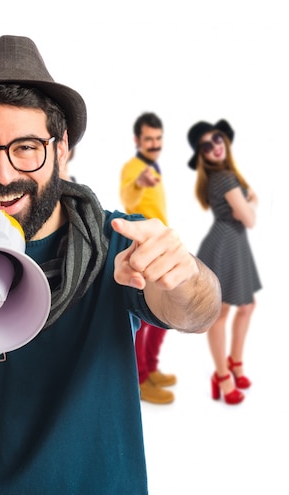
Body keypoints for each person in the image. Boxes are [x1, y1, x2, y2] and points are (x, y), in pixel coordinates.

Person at [0, 35, 221, 493]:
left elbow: (199, 312)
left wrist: (184, 274)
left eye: (26, 147)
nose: (3, 175)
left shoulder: (116, 243)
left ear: (61, 147)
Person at [187, 119, 261, 405]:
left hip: (233, 243)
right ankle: (222, 375)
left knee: (246, 306)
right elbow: (250, 219)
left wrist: (247, 198)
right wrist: (251, 200)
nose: (215, 146)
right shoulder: (225, 179)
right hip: (226, 243)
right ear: (202, 155)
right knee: (222, 312)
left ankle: (235, 363)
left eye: (217, 139)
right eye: (206, 145)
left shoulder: (226, 176)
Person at [119, 112, 176, 405]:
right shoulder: (134, 168)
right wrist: (139, 182)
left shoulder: (154, 166)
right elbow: (128, 196)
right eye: (148, 139)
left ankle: (151, 369)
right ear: (137, 141)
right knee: (147, 313)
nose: (154, 144)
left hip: (161, 247)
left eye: (157, 138)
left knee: (163, 314)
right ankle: (140, 379)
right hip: (144, 249)